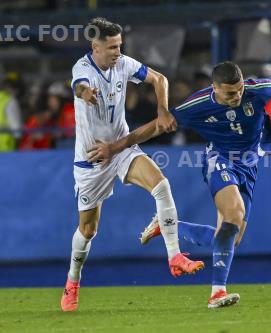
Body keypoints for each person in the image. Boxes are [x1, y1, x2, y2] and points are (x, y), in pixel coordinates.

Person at [87, 62, 271, 308]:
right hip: (220, 160)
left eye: (239, 90)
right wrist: (114, 147)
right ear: (215, 89)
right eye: (230, 93)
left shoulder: (258, 89)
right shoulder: (197, 105)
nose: (237, 96)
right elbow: (154, 127)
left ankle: (169, 225)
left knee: (229, 238)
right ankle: (218, 292)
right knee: (235, 213)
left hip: (250, 165)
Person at [60, 17, 204, 312]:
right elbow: (78, 87)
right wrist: (86, 94)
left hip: (122, 148)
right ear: (95, 46)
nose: (117, 51)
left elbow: (159, 79)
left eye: (119, 45)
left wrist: (162, 110)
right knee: (88, 230)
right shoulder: (82, 69)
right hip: (92, 160)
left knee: (162, 186)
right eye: (111, 47)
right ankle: (72, 282)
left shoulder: (124, 64)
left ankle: (175, 256)